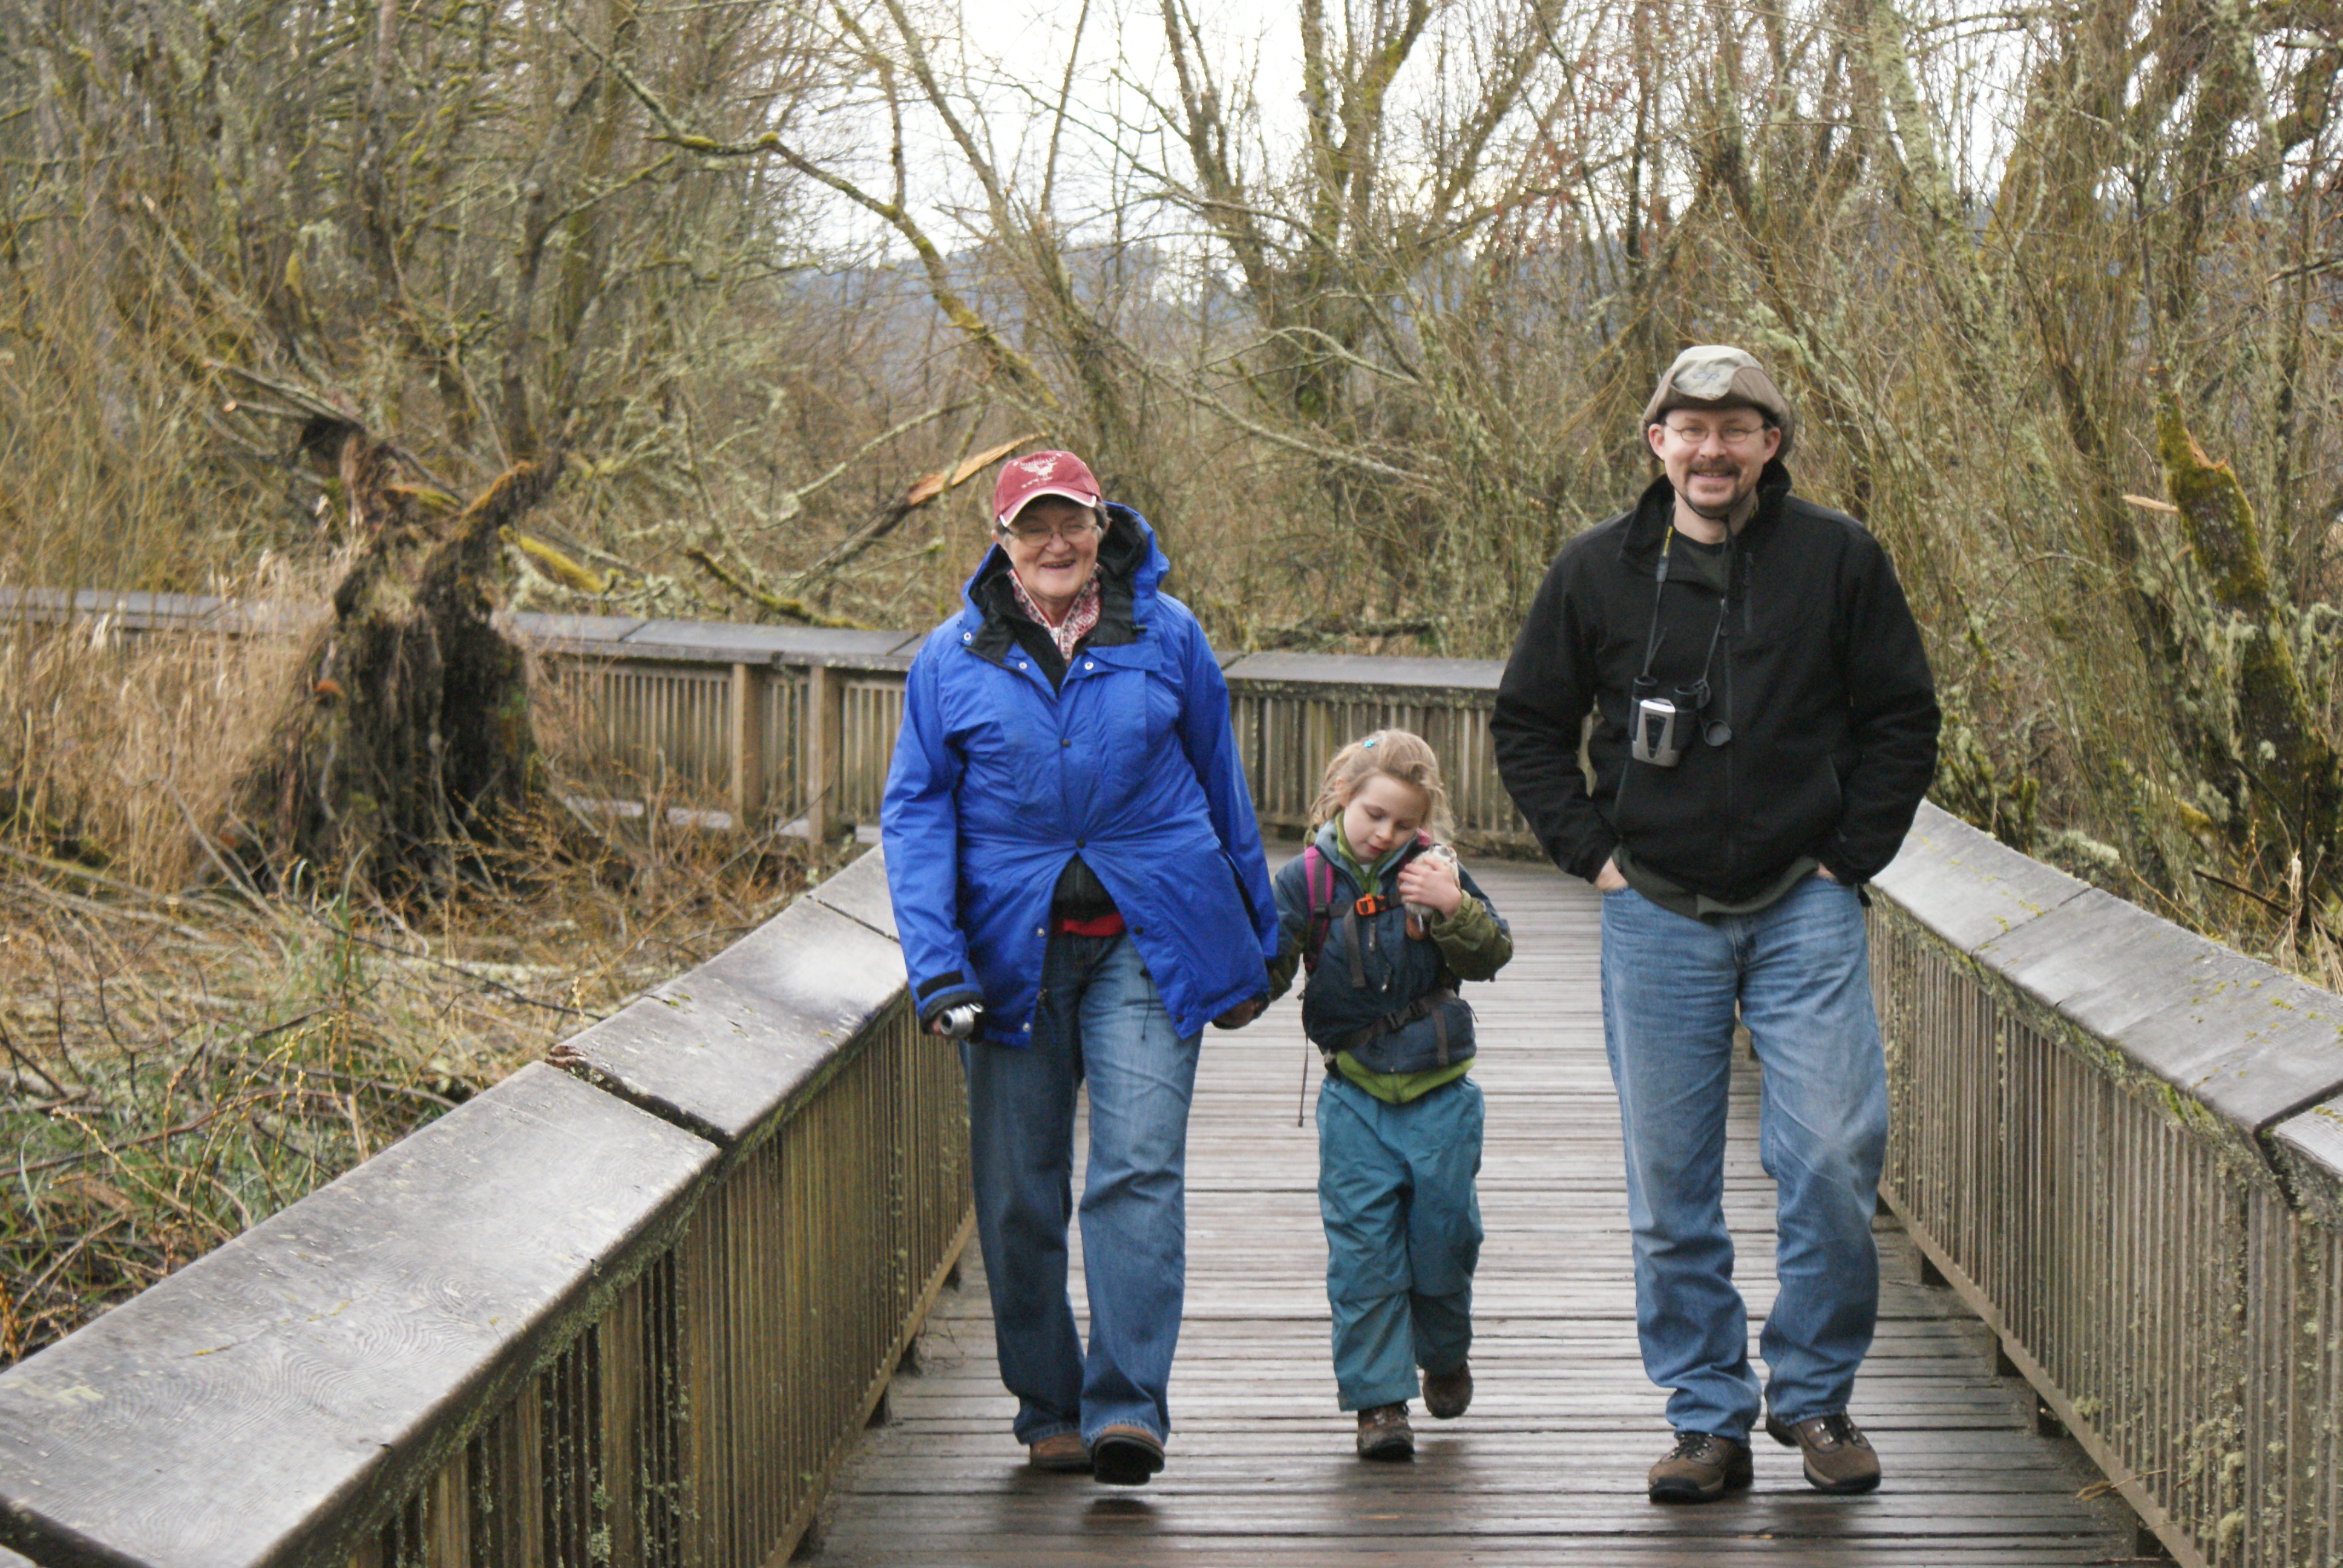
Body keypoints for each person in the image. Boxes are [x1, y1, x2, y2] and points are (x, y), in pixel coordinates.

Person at [1492, 347, 1939, 1503]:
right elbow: (1527, 724)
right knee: (1670, 1179)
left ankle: (1813, 1392)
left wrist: (1850, 857)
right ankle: (1705, 1416)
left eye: (1736, 428)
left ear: (1769, 445)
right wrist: (1589, 858)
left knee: (1835, 1153)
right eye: (1688, 427)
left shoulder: (1838, 558)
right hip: (1655, 907)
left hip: (1803, 895)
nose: (1710, 449)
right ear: (1655, 444)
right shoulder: (1596, 569)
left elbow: (1901, 714)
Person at [880, 449, 1279, 1488]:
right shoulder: (950, 657)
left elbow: (1221, 784)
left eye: (1073, 522)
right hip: (1009, 958)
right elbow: (915, 815)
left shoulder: (1166, 633)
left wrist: (1258, 938)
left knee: (1137, 1168)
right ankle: (1048, 1402)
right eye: (1031, 525)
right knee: (1018, 1194)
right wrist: (936, 964)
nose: (1055, 544)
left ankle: (1125, 1406)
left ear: (1102, 525)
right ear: (1001, 538)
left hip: (1146, 941)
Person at [1264, 730, 1513, 1462]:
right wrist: (1221, 994)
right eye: (1375, 815)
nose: (1386, 835)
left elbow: (1491, 953)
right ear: (1344, 794)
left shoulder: (1434, 870)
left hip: (1440, 1096)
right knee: (1363, 1255)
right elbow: (1269, 970)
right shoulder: (1303, 882)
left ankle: (1443, 1352)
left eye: (1404, 824)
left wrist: (1452, 905)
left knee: (1445, 1241)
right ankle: (1378, 1403)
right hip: (1353, 1098)